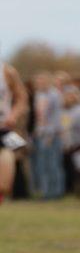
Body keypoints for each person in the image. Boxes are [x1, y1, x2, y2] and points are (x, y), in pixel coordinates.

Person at [0, 60, 30, 204]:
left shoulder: (7, 71)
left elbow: (22, 97)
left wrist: (13, 115)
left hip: (3, 129)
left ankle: (21, 193)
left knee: (4, 185)